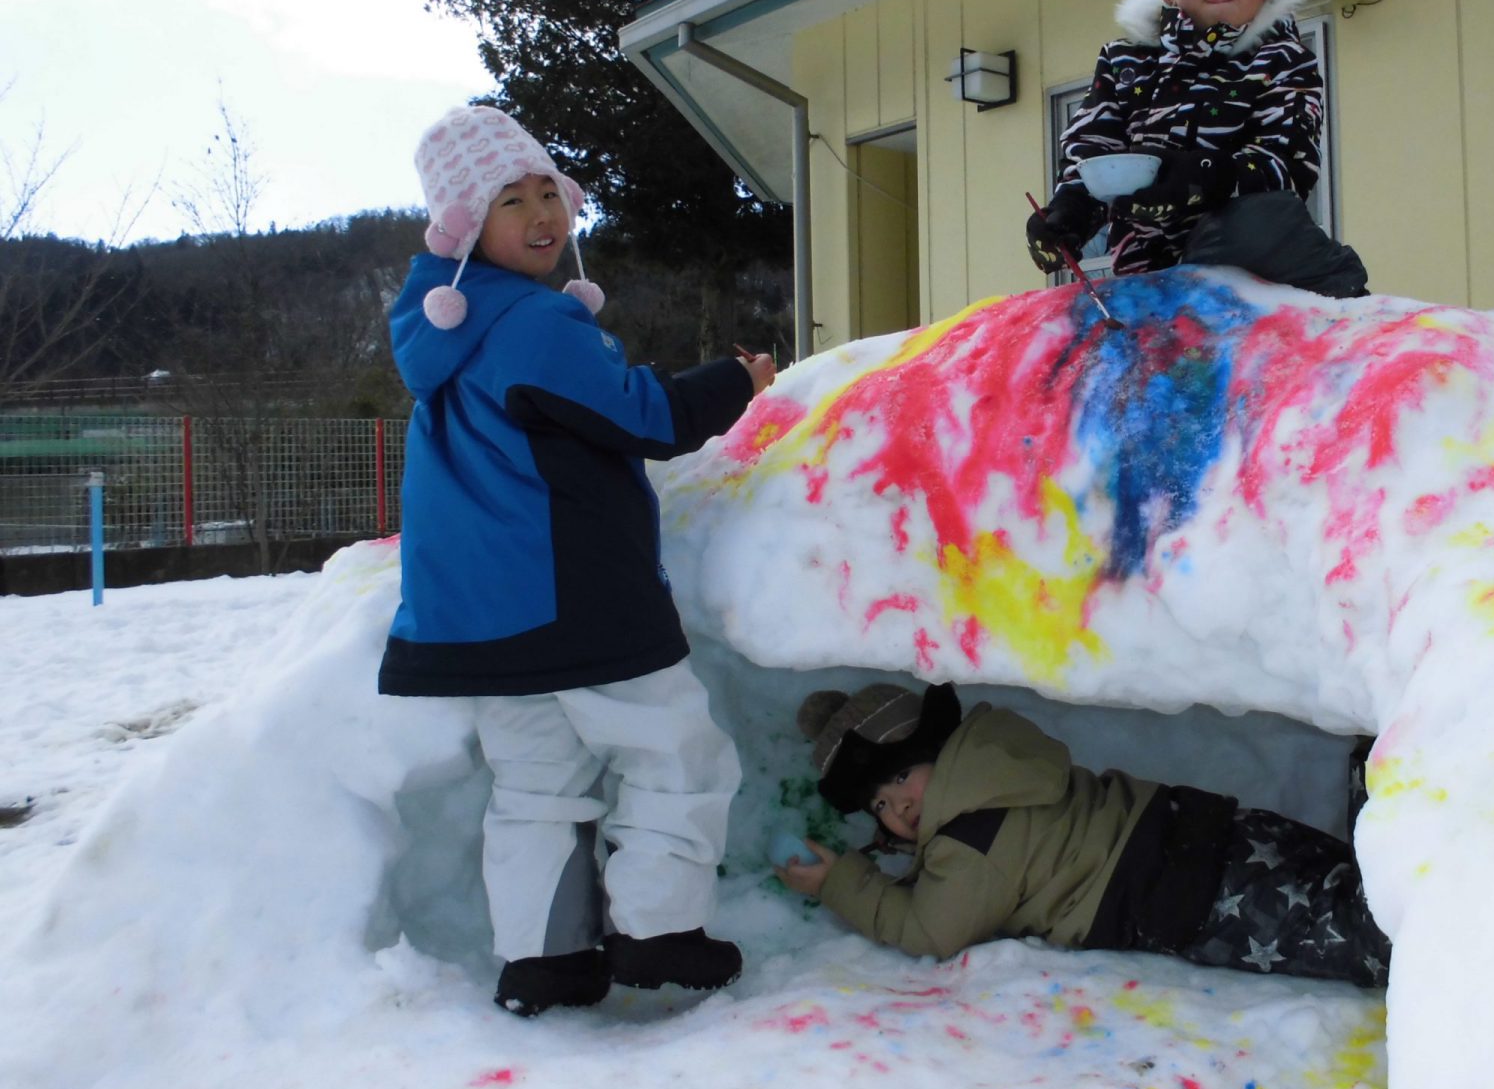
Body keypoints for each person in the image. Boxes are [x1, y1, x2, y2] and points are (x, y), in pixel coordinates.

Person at [378, 104, 775, 1017]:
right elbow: (641, 415)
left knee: (535, 785)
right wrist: (737, 383)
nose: (542, 215)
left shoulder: (449, 332)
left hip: (480, 617)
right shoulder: (530, 323)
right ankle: (658, 933)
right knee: (674, 754)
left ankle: (544, 961)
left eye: (547, 191)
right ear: (465, 227)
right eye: (510, 201)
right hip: (575, 595)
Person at [776, 681, 1389, 988]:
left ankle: (1402, 775)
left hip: (1193, 900)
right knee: (1365, 875)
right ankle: (1391, 779)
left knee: (1381, 940)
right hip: (1212, 827)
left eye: (901, 776)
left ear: (936, 750)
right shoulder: (1002, 762)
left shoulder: (968, 845)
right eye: (880, 804)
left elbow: (930, 929)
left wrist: (840, 882)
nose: (899, 806)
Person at [1026, 0, 1368, 297]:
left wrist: (1207, 176)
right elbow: (1095, 153)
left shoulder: (1283, 60)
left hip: (1258, 272)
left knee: (1258, 220)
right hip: (1150, 275)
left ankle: (1342, 300)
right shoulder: (1126, 63)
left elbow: (1288, 164)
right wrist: (1070, 211)